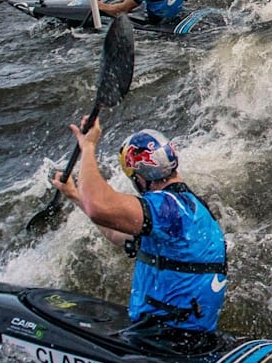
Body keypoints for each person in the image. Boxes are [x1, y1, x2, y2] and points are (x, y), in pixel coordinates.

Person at [54, 121, 229, 345]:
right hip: (174, 335)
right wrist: (76, 196)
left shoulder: (170, 209)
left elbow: (98, 206)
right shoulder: (186, 209)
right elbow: (116, 233)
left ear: (140, 176)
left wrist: (88, 147)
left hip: (167, 341)